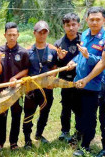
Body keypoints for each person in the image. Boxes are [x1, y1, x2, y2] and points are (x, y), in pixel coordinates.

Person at [67, 6, 105, 156]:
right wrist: (73, 61)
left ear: (103, 20)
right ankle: (81, 134)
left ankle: (86, 145)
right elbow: (81, 54)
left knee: (92, 116)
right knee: (80, 113)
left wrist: (89, 58)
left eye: (98, 19)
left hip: (94, 84)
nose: (94, 22)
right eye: (92, 19)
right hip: (79, 81)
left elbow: (101, 63)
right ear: (87, 20)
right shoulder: (85, 35)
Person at [0, 22, 30, 150]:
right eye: (9, 35)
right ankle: (0, 143)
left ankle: (13, 143)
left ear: (18, 35)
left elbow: (26, 69)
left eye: (14, 35)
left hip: (17, 90)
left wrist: (16, 77)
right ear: (5, 35)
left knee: (16, 116)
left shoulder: (23, 52)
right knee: (1, 117)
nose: (12, 37)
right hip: (2, 90)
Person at [25, 20, 57, 145]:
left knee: (45, 112)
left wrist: (52, 78)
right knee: (28, 114)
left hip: (47, 88)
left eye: (45, 32)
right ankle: (27, 138)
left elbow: (55, 67)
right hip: (31, 89)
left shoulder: (53, 50)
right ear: (34, 33)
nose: (42, 35)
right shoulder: (28, 51)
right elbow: (25, 70)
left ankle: (39, 134)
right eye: (40, 32)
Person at [54, 13, 81, 142]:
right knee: (66, 107)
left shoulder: (83, 40)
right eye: (68, 25)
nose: (71, 28)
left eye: (73, 24)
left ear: (78, 25)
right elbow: (56, 64)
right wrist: (60, 58)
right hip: (65, 81)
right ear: (64, 26)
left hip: (80, 80)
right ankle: (65, 132)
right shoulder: (59, 43)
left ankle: (79, 131)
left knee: (79, 107)